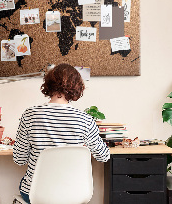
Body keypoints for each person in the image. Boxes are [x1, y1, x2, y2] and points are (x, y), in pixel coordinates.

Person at [13, 63, 110, 203]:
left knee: (27, 183)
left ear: (48, 84)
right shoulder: (85, 120)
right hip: (74, 195)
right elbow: (103, 156)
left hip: (36, 196)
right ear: (76, 87)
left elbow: (19, 159)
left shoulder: (30, 115)